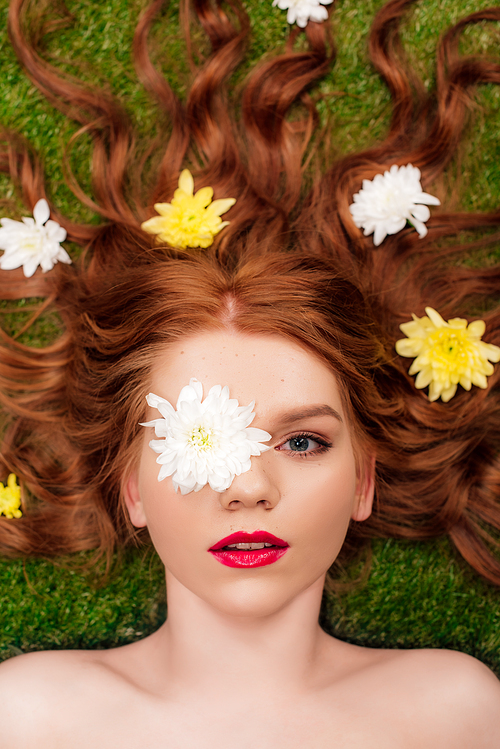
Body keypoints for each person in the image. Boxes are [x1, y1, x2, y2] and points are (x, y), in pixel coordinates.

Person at [0, 0, 500, 745]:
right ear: (132, 487)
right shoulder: (27, 714)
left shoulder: (456, 709)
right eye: (200, 438)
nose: (248, 487)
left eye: (303, 442)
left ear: (364, 481)